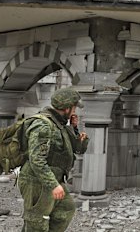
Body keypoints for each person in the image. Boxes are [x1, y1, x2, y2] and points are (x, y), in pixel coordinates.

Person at [18, 87, 89, 232]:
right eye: (74, 108)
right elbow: (37, 160)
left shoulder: (60, 124)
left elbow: (78, 149)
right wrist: (53, 185)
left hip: (53, 178)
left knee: (66, 208)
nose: (75, 111)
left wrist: (75, 129)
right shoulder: (43, 125)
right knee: (37, 222)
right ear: (67, 108)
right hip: (36, 181)